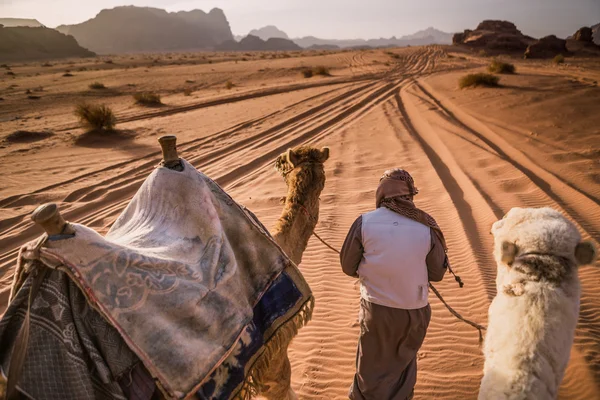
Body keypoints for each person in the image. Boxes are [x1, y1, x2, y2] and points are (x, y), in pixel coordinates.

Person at [340, 168, 448, 400]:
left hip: (376, 311)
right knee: (404, 367)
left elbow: (348, 267)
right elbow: (438, 273)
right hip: (414, 312)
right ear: (409, 195)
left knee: (369, 368)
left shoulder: (364, 222)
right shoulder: (427, 226)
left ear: (381, 195)